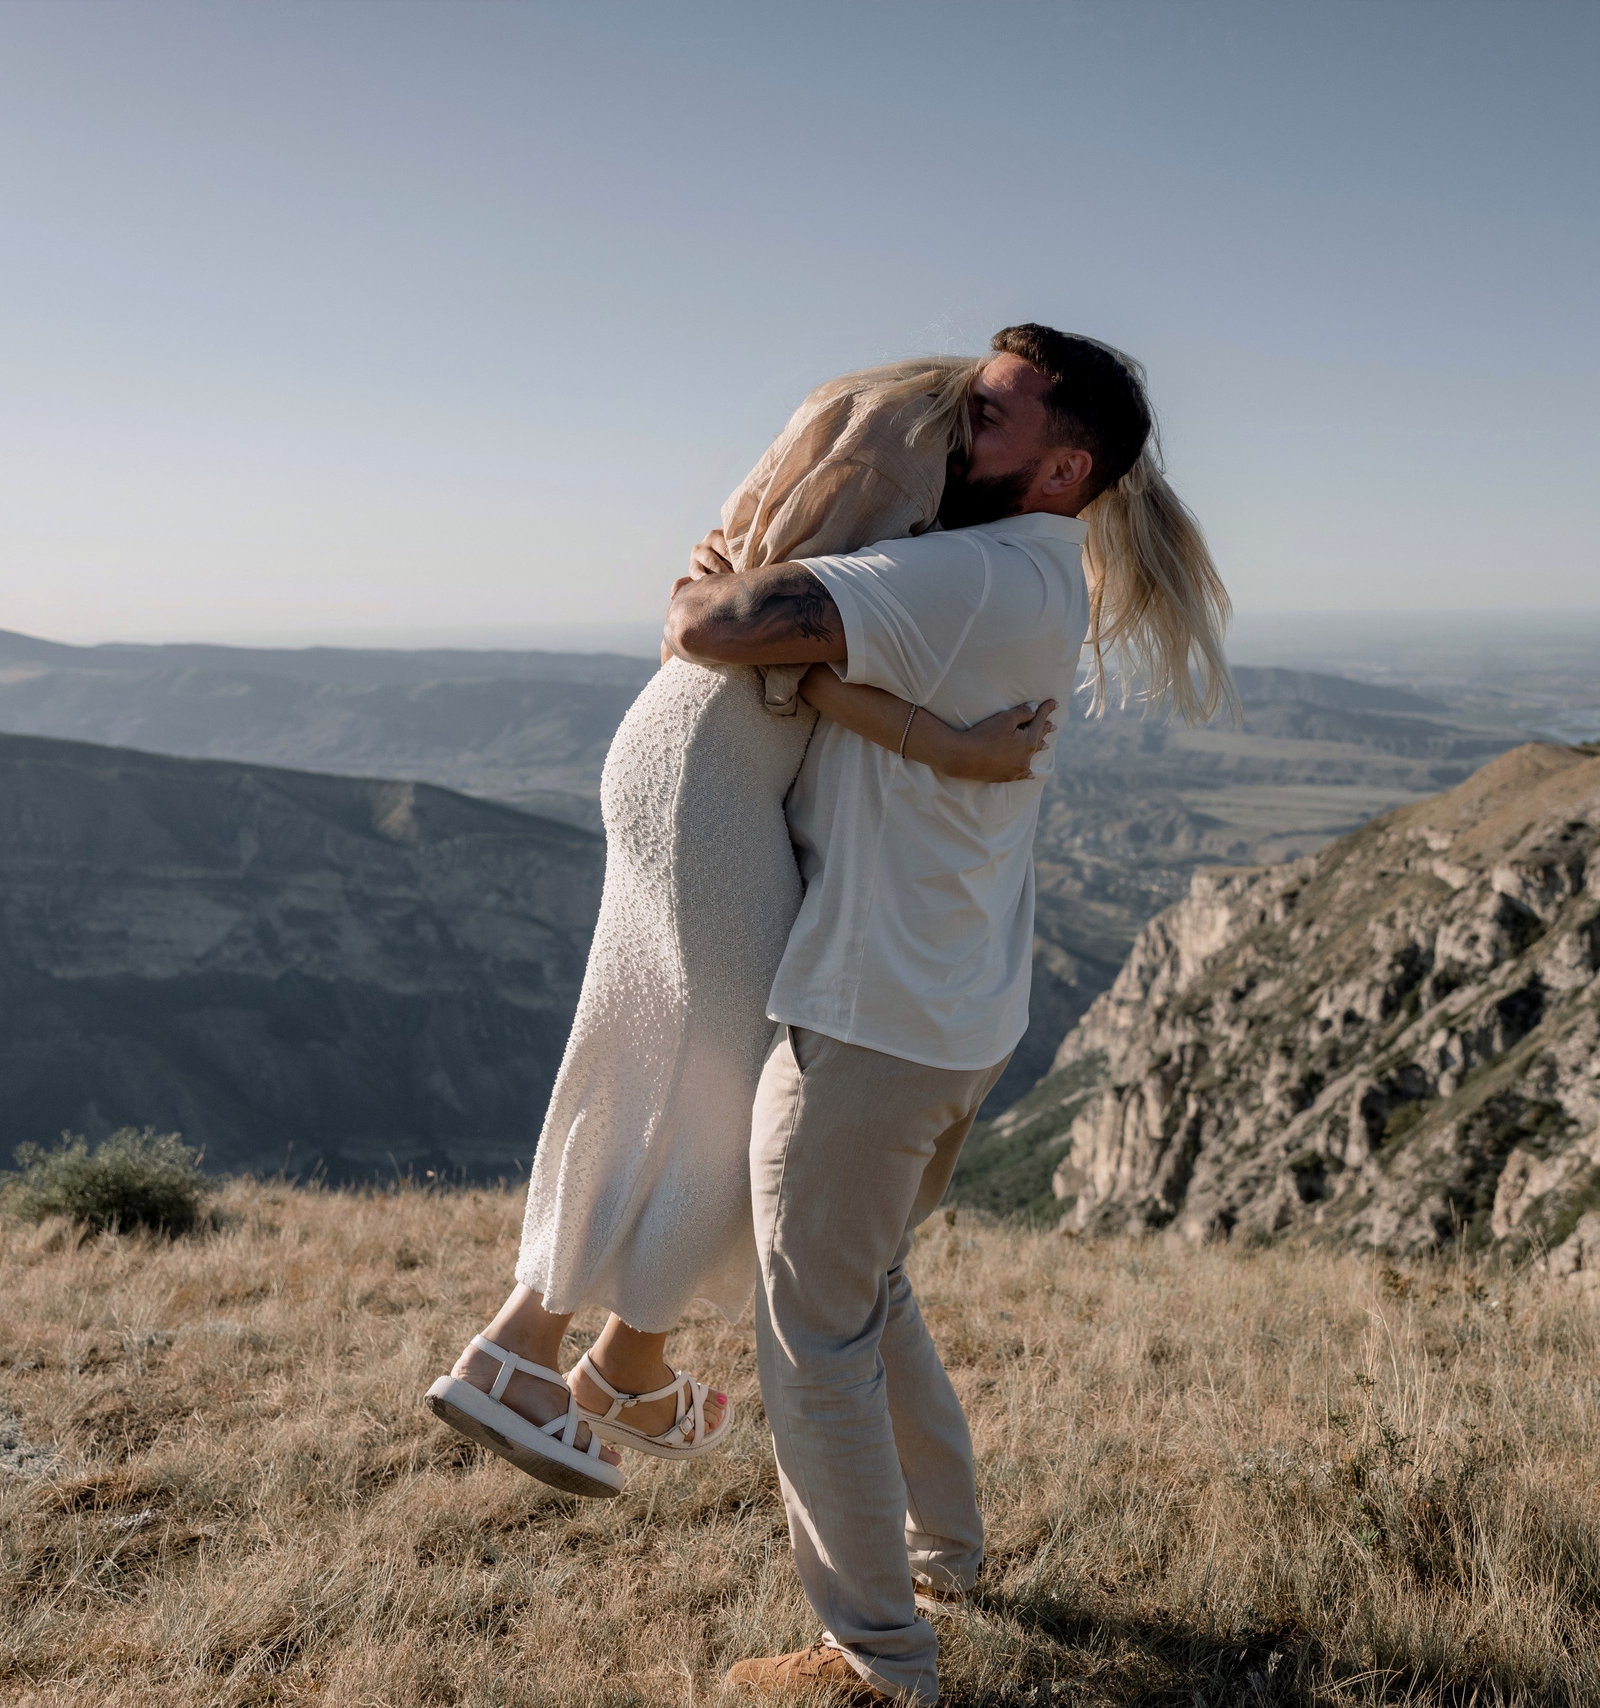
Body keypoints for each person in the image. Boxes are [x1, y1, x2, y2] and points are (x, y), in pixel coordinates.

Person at [669, 325, 1232, 1705]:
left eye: (979, 416)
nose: (942, 431)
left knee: (814, 1342)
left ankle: (878, 1666)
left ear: (1061, 467)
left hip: (871, 1020)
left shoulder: (965, 572)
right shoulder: (1029, 573)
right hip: (950, 1014)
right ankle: (946, 1556)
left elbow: (709, 630)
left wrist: (721, 566)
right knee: (868, 1290)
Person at [424, 356, 1058, 1495]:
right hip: (712, 776)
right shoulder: (889, 500)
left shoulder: (805, 513)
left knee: (645, 1062)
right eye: (969, 424)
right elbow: (780, 664)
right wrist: (954, 748)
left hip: (678, 759)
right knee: (735, 1086)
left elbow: (731, 634)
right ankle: (541, 1357)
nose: (965, 446)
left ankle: (599, 1356)